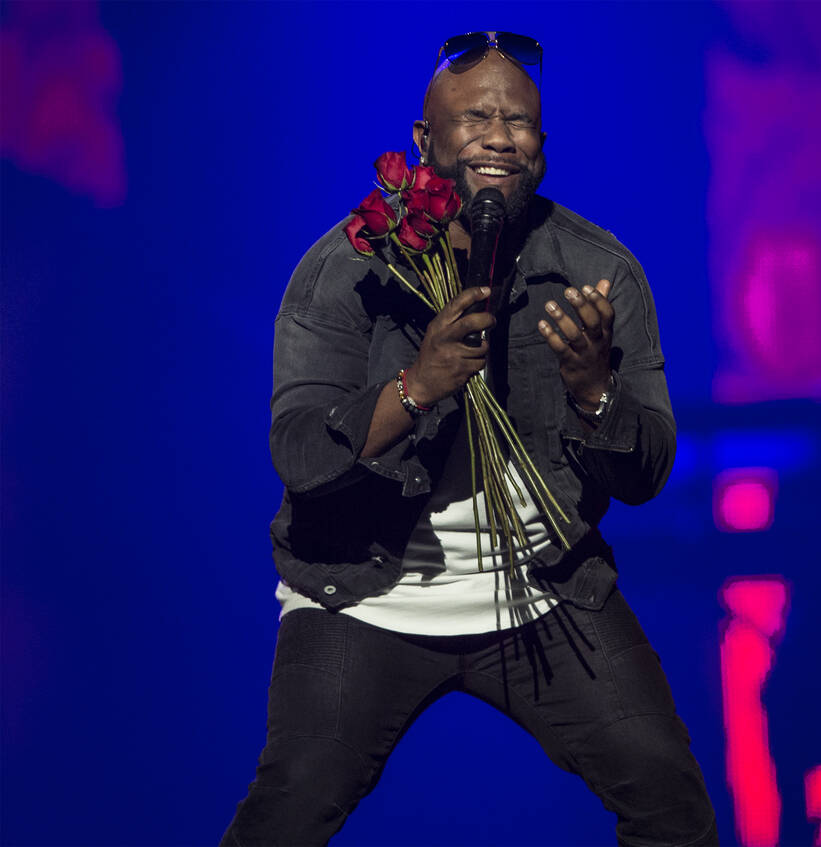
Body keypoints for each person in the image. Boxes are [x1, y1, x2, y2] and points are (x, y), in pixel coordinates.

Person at [220, 32, 717, 847]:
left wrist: (595, 394)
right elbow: (302, 456)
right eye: (475, 117)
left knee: (669, 797)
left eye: (519, 121)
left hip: (542, 591)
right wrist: (416, 387)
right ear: (424, 141)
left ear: (543, 150)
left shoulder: (598, 271)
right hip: (364, 592)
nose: (498, 135)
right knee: (288, 809)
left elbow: (650, 467)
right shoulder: (345, 269)